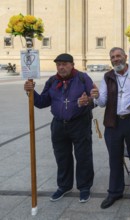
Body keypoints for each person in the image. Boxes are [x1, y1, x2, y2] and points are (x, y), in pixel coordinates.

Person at [24, 53, 94, 203]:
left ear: (72, 64)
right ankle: (64, 186)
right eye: (58, 65)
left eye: (64, 64)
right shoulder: (52, 81)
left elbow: (96, 98)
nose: (61, 67)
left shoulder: (83, 78)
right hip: (58, 125)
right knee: (62, 157)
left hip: (80, 123)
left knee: (83, 157)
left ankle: (84, 187)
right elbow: (42, 102)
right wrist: (31, 92)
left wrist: (88, 100)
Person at [90, 47, 130, 209]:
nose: (115, 59)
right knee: (114, 158)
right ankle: (115, 192)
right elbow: (103, 101)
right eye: (112, 57)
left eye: (118, 56)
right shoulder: (108, 76)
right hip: (113, 122)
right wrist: (97, 97)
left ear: (125, 57)